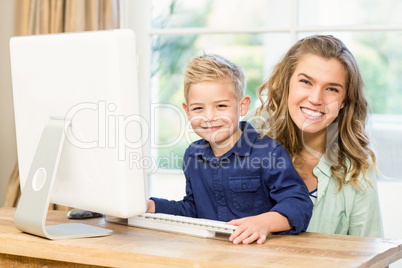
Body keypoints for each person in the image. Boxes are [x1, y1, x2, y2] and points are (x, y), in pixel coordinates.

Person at [146, 53, 313, 244]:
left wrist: (264, 223)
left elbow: (299, 204)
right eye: (198, 108)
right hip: (212, 256)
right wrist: (151, 206)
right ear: (187, 110)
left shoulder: (269, 153)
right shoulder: (193, 155)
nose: (210, 117)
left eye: (221, 106)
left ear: (242, 106)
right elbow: (193, 210)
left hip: (262, 257)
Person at [248, 35, 382, 237]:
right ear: (287, 83)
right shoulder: (250, 141)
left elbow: (372, 257)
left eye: (331, 89)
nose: (316, 99)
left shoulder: (356, 169)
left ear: (344, 100)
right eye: (306, 82)